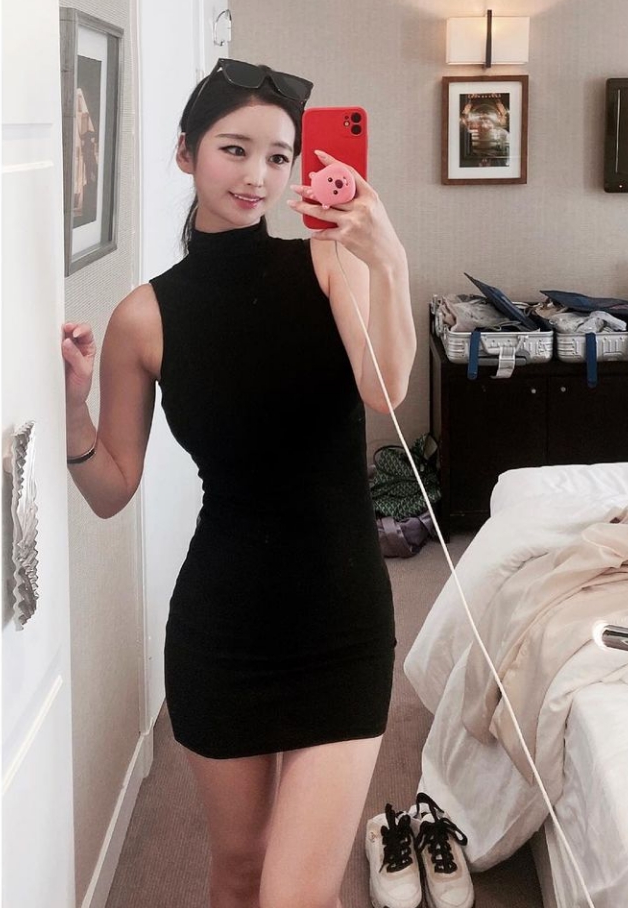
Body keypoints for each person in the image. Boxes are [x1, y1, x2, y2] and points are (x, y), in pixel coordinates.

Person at [61, 58, 417, 908]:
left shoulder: (328, 263)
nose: (258, 175)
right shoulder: (143, 317)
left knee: (296, 895)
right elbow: (111, 488)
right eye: (235, 149)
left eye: (279, 156)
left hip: (341, 621)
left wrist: (390, 260)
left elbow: (385, 389)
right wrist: (72, 412)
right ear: (186, 153)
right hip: (223, 632)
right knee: (240, 872)